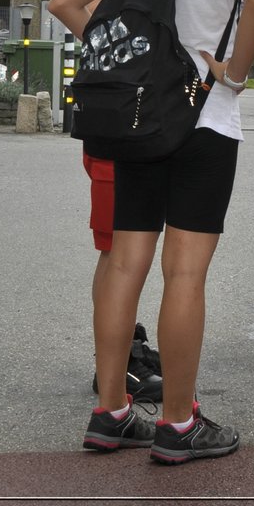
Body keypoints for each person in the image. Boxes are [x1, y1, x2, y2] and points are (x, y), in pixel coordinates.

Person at [50, 0, 254, 465]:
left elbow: (66, 1)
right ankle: (178, 423)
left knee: (125, 262)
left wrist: (124, 51)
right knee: (185, 272)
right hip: (204, 120)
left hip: (138, 118)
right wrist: (233, 69)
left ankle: (111, 411)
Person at [81, 152, 162, 402]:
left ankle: (122, 348)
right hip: (119, 138)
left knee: (119, 249)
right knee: (116, 249)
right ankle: (118, 363)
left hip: (129, 135)